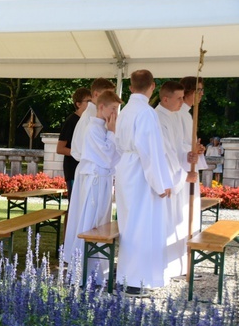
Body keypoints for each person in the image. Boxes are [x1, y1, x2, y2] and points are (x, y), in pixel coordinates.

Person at [114, 70, 173, 297]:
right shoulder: (146, 113)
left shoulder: (126, 111)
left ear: (130, 87)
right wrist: (160, 184)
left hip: (127, 168)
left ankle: (128, 276)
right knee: (141, 226)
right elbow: (151, 152)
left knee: (129, 224)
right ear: (153, 86)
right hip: (140, 172)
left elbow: (120, 145)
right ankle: (135, 281)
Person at [63, 91, 122, 287]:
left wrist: (112, 132)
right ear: (101, 107)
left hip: (102, 179)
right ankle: (83, 271)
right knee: (90, 221)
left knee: (99, 222)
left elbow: (113, 157)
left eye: (117, 109)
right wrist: (113, 133)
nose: (115, 113)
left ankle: (97, 271)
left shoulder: (103, 128)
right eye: (113, 108)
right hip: (94, 181)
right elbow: (106, 157)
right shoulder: (93, 129)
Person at [155, 81, 197, 282]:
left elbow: (177, 148)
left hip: (174, 176)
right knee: (164, 224)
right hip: (166, 179)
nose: (183, 102)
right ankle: (163, 265)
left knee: (173, 222)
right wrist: (181, 177)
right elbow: (165, 153)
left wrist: (188, 155)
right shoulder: (158, 118)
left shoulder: (172, 116)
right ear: (165, 99)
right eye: (179, 98)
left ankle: (173, 265)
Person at [177, 76, 207, 233]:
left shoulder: (187, 114)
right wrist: (192, 148)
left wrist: (198, 148)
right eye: (199, 90)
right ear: (189, 91)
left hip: (189, 167)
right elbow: (175, 145)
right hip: (182, 171)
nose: (202, 94)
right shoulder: (178, 114)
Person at [69, 78, 116, 162]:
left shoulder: (101, 114)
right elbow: (79, 150)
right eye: (108, 95)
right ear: (96, 94)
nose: (111, 98)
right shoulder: (88, 118)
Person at [56, 88, 91, 198]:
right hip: (73, 169)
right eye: (88, 101)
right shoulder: (71, 121)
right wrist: (81, 154)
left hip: (85, 168)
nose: (91, 105)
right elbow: (60, 148)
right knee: (74, 204)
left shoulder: (89, 120)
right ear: (78, 104)